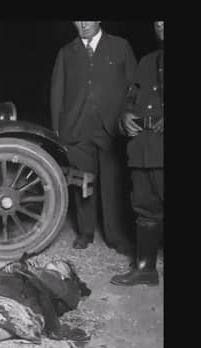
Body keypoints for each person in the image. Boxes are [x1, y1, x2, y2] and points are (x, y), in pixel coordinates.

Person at [51, 21, 137, 253]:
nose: (83, 24)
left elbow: (134, 86)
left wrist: (129, 115)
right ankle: (85, 232)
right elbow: (57, 91)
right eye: (78, 20)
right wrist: (57, 129)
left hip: (112, 128)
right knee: (83, 183)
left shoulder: (120, 47)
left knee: (113, 184)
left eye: (87, 19)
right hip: (76, 128)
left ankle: (115, 236)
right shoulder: (66, 52)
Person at [111, 21, 164, 286]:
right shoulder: (147, 61)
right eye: (158, 21)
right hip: (144, 148)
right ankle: (146, 269)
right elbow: (131, 100)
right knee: (145, 207)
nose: (162, 25)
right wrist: (125, 117)